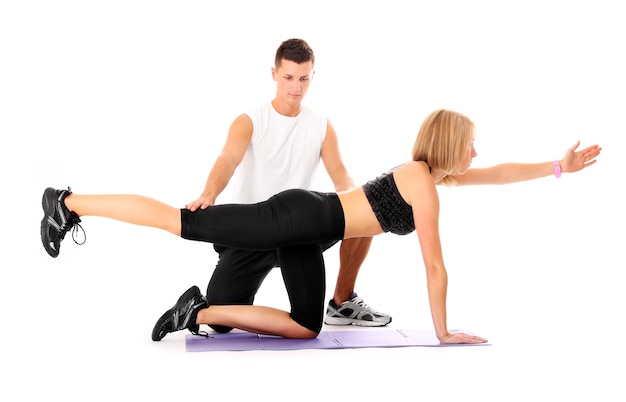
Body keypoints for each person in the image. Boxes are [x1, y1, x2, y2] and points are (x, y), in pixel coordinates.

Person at [40, 109, 602, 344]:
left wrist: (558, 167)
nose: (477, 152)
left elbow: (499, 174)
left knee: (307, 326)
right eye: (471, 143)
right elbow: (434, 263)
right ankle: (69, 203)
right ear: (452, 145)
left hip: (312, 233)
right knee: (181, 222)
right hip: (300, 215)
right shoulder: (422, 184)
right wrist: (443, 332)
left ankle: (199, 311)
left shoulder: (427, 177)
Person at [183, 38, 388, 330]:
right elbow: (228, 159)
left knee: (366, 214)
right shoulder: (250, 121)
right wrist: (209, 192)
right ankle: (205, 308)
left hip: (297, 233)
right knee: (221, 321)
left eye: (304, 78)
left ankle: (342, 302)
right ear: (274, 74)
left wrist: (355, 197)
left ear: (312, 76)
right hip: (252, 234)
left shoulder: (321, 125)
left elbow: (341, 175)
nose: (297, 86)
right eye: (289, 77)